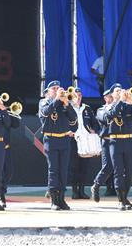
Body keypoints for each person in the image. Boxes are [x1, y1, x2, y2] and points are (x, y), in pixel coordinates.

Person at [38, 81, 77, 210]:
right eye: (53, 89)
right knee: (54, 170)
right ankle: (54, 200)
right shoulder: (44, 102)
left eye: (58, 88)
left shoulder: (64, 104)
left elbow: (74, 122)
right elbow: (45, 112)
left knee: (63, 170)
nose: (57, 90)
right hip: (51, 139)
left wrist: (67, 104)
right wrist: (56, 99)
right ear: (48, 92)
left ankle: (62, 199)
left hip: (64, 139)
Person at [104, 85, 132, 210]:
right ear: (112, 94)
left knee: (130, 171)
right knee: (118, 172)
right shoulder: (109, 106)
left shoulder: (128, 106)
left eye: (121, 90)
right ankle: (121, 199)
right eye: (117, 91)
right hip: (115, 141)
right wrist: (120, 100)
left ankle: (125, 196)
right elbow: (111, 115)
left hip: (128, 140)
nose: (121, 92)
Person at [69, 87, 97, 199]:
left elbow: (95, 122)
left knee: (84, 167)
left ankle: (82, 190)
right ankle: (74, 191)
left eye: (80, 95)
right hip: (74, 140)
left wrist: (93, 130)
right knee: (74, 167)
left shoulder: (87, 108)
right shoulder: (68, 108)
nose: (78, 97)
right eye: (76, 95)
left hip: (86, 140)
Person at [91, 88, 115, 202]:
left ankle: (122, 196)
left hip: (120, 140)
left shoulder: (120, 107)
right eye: (109, 96)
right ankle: (96, 185)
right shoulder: (101, 110)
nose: (112, 98)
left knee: (122, 167)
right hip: (107, 140)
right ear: (105, 98)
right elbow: (105, 118)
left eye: (113, 96)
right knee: (107, 166)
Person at [0, 94, 20, 208]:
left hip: (6, 147)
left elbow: (15, 124)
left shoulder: (6, 113)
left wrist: (8, 112)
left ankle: (3, 190)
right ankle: (0, 194)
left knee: (9, 171)